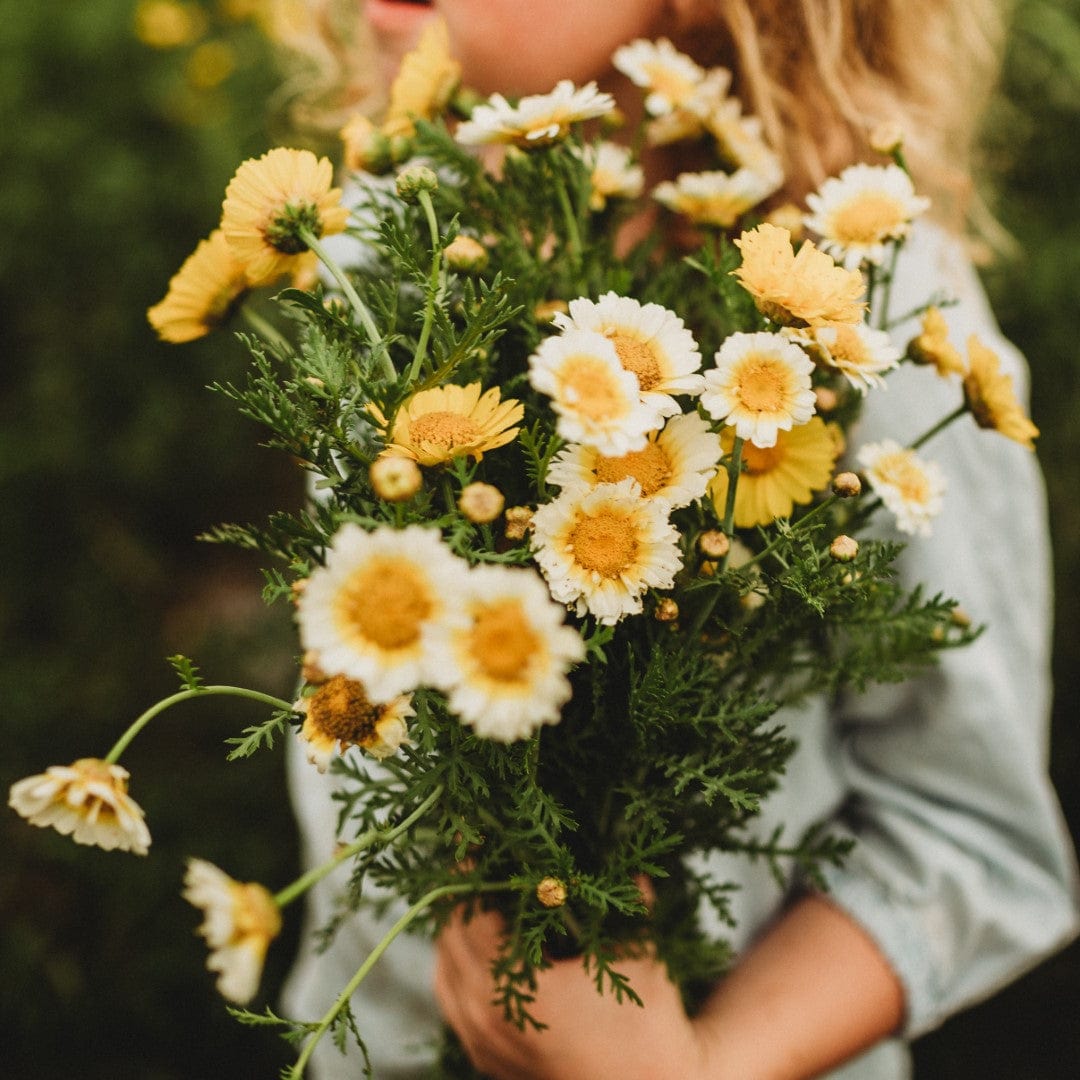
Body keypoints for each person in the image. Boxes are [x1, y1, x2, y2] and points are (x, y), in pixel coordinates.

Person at [280, 2, 1080, 1076]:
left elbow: (968, 836)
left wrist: (694, 1066)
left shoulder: (871, 329)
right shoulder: (393, 233)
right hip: (371, 1039)